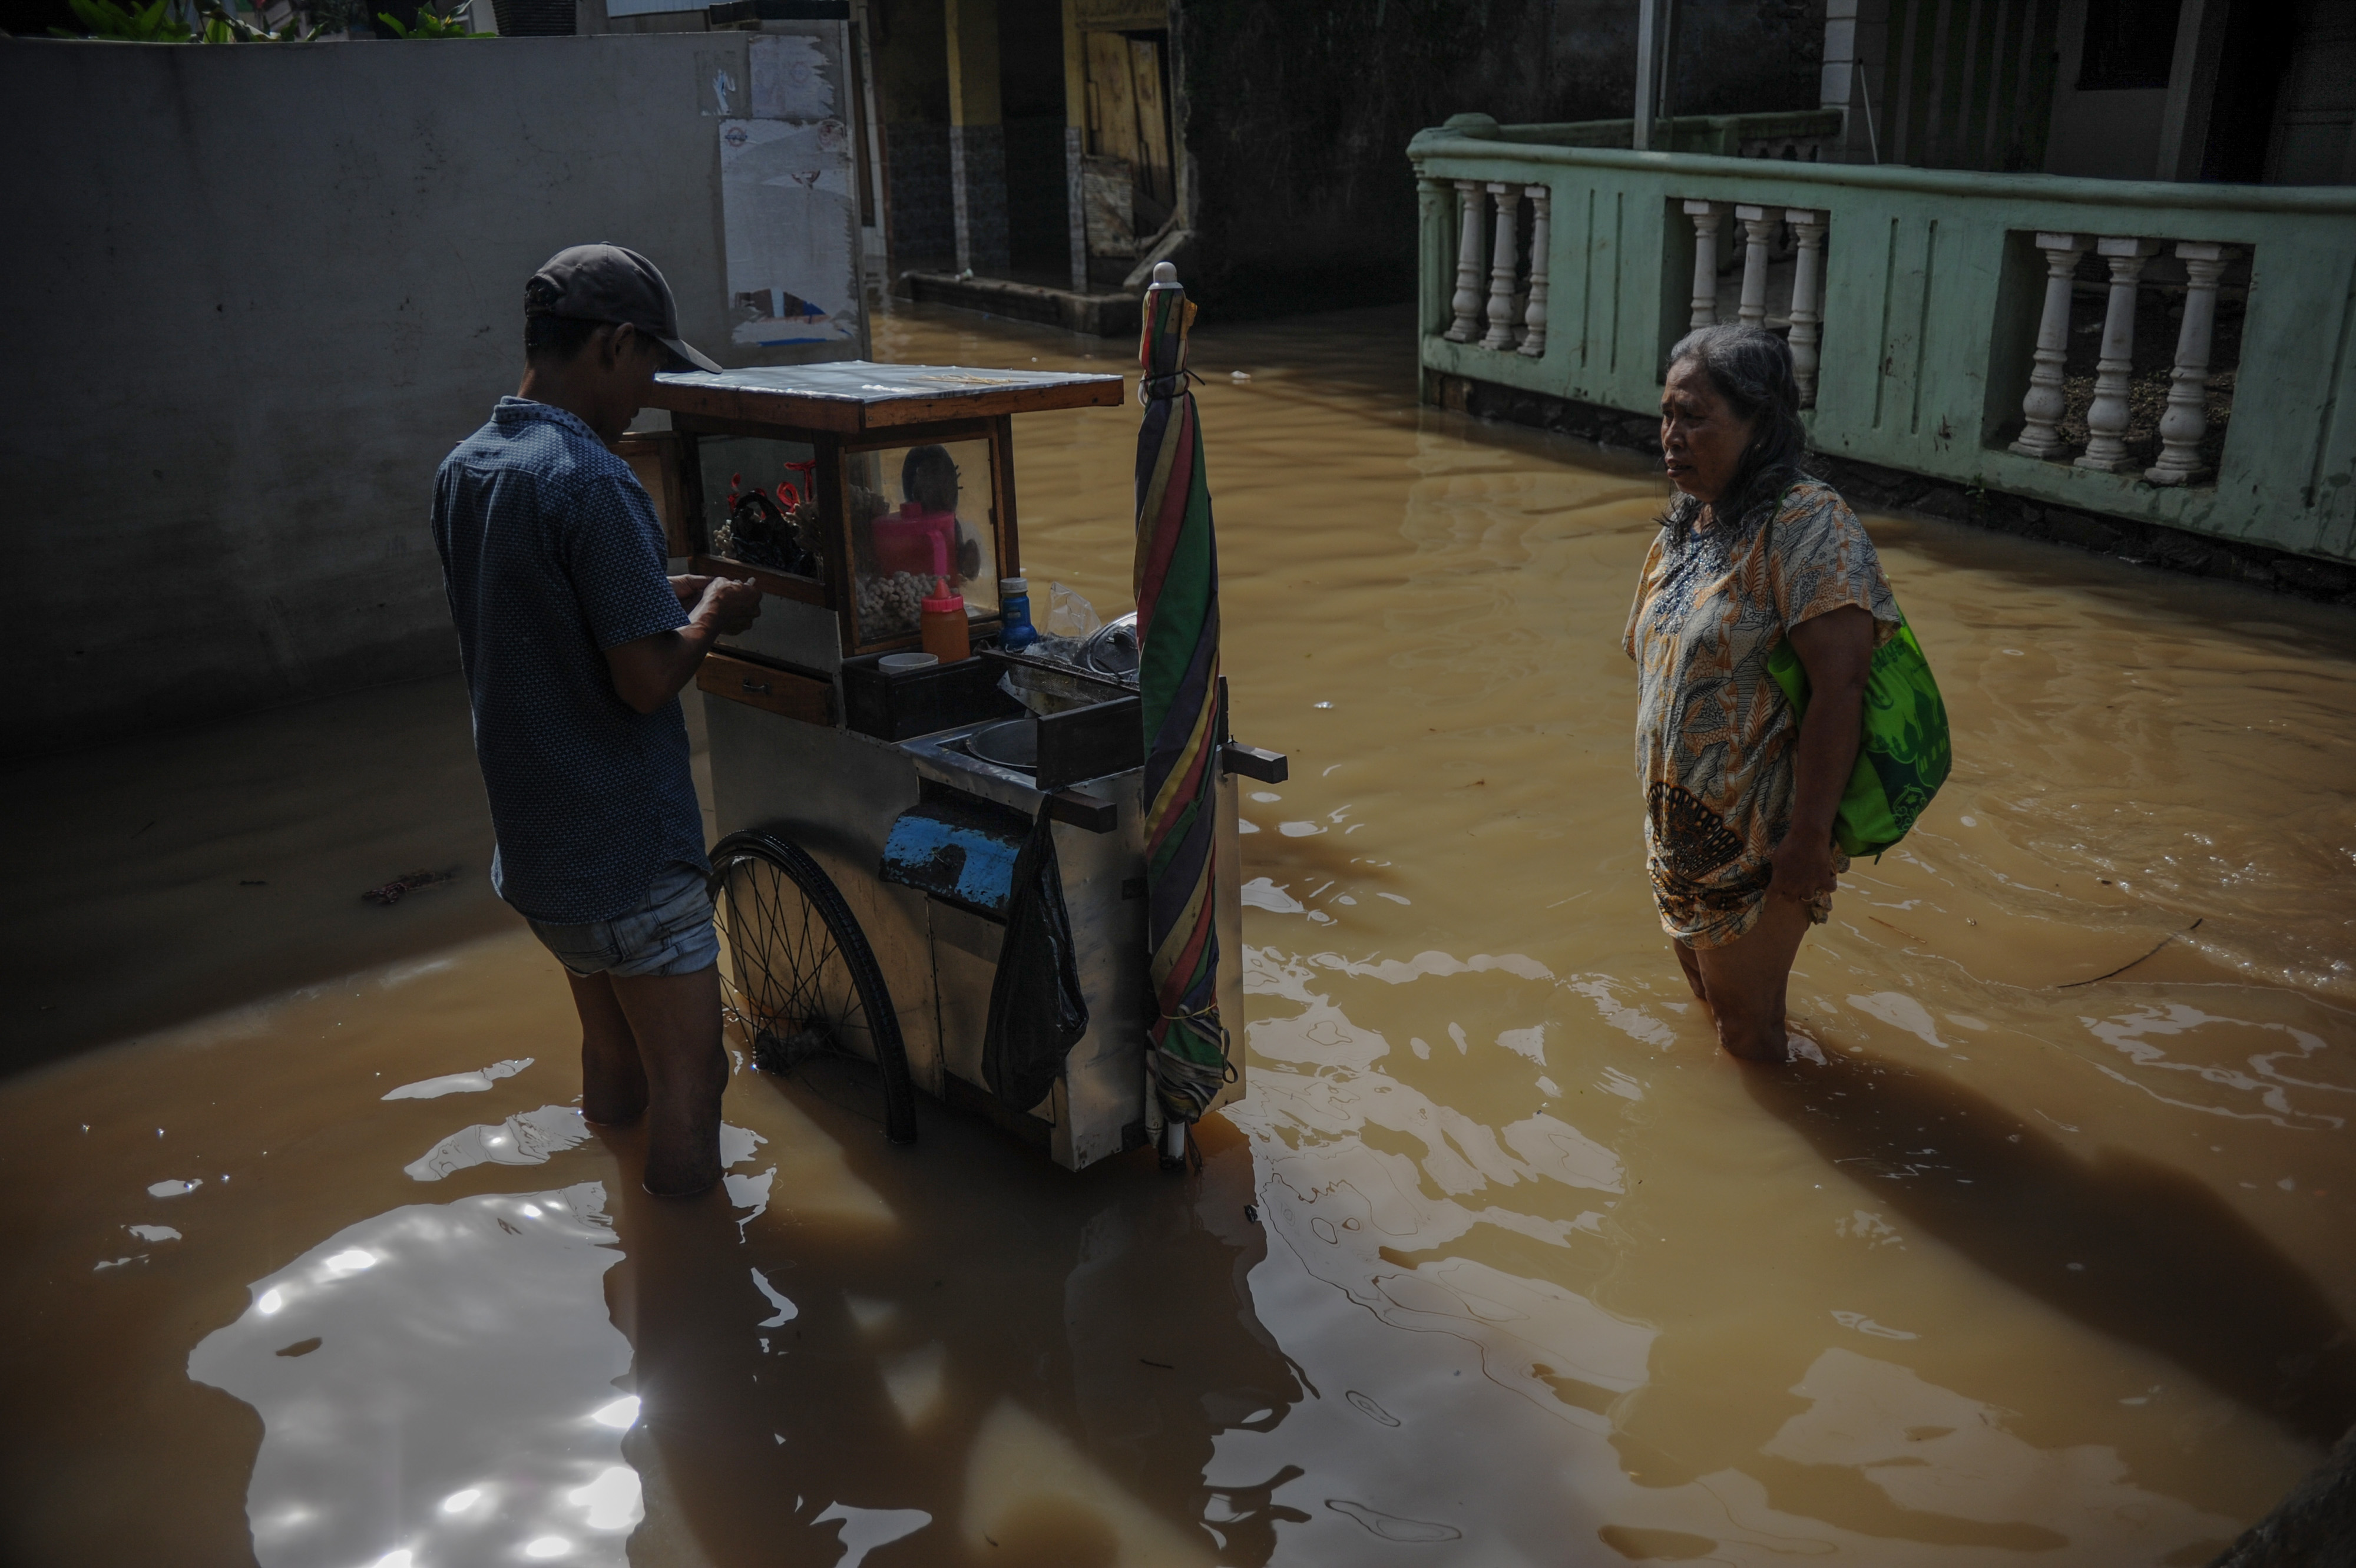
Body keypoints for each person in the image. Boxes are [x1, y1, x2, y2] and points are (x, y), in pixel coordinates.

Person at [432, 243, 763, 1195]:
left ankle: (618, 1224)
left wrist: (659, 592)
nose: (648, 394)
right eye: (650, 366)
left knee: (616, 1059)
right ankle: (691, 1267)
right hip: (628, 854)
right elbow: (648, 681)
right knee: (693, 1080)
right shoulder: (592, 477)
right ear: (614, 344)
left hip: (541, 854)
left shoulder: (468, 469)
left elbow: (548, 613)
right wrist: (712, 613)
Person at [1623, 324, 1898, 1064]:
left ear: (1760, 422)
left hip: (1761, 845)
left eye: (1693, 417)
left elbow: (1841, 686)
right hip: (1679, 836)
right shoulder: (1689, 523)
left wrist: (1807, 840)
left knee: (1747, 1034)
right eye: (1666, 415)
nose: (1671, 436)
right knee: (1715, 1007)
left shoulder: (1807, 524)